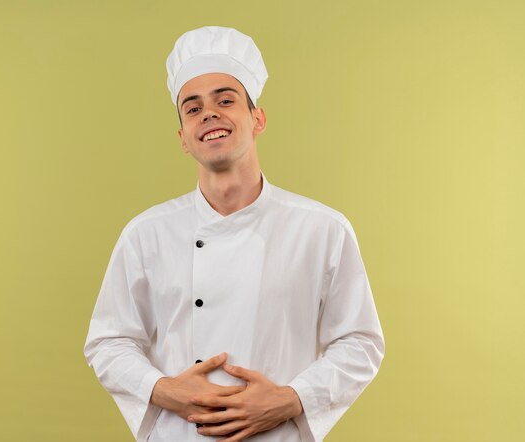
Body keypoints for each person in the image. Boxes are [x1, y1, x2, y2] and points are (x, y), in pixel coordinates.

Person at [84, 26, 384, 442]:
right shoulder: (146, 234)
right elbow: (109, 342)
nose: (209, 113)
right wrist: (165, 390)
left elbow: (360, 342)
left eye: (226, 100)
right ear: (183, 140)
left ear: (257, 118)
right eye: (192, 108)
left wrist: (292, 398)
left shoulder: (322, 229)